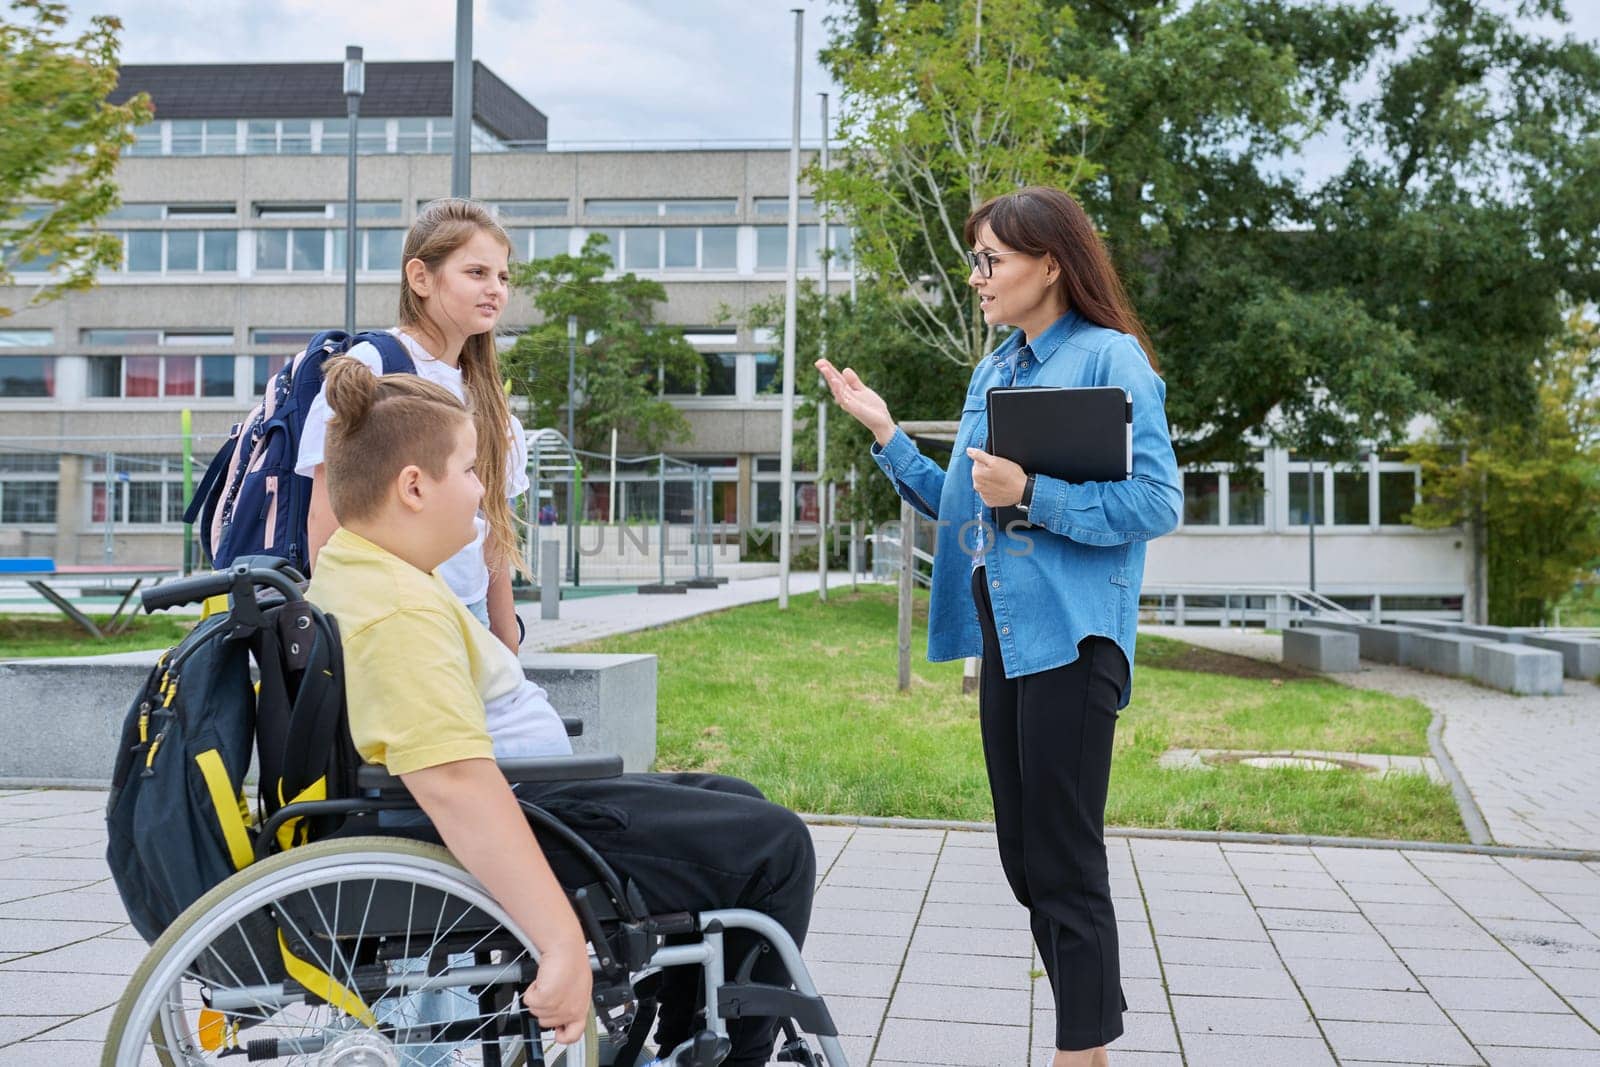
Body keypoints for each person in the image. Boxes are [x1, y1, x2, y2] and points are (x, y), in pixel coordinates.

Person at [304, 356, 817, 1066]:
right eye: (470, 470)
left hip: (529, 799)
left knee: (735, 800)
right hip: (519, 815)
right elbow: (454, 784)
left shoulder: (367, 573)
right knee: (775, 846)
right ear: (414, 486)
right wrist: (561, 944)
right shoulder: (394, 611)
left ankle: (675, 1036)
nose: (484, 492)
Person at [817, 186, 1181, 1067]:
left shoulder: (1111, 360)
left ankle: (1081, 1051)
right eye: (974, 260)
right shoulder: (994, 370)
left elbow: (1156, 500)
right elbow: (963, 504)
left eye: (990, 261)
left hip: (1073, 636)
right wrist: (888, 434)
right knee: (1025, 856)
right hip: (1006, 639)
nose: (976, 278)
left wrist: (1033, 494)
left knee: (1062, 855)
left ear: (1048, 264)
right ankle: (1090, 1027)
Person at [298, 197, 528, 653]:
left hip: (469, 616)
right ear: (420, 277)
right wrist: (338, 631)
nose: (496, 290)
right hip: (388, 615)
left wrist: (506, 643)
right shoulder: (373, 366)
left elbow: (494, 532)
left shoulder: (486, 394)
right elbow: (325, 518)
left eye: (502, 277)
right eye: (476, 273)